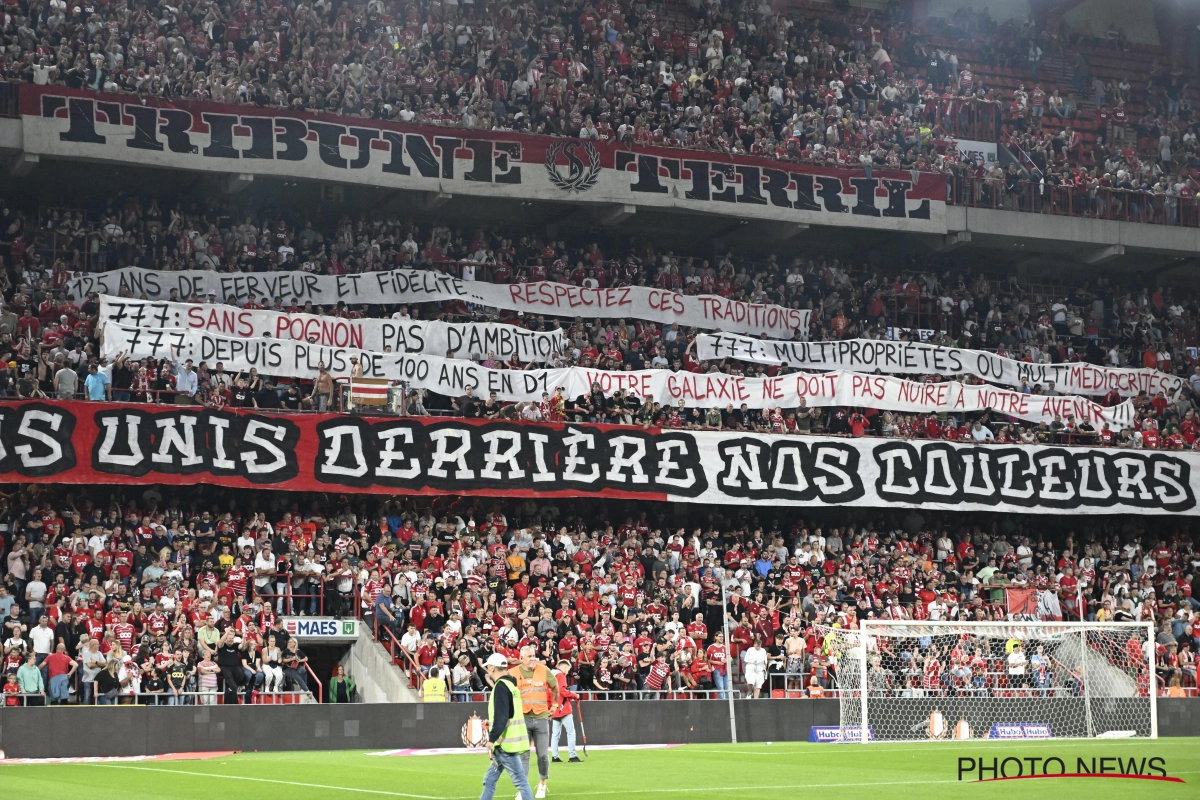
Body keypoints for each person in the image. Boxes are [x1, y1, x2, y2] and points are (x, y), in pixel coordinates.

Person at [480, 652, 535, 800]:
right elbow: (508, 713)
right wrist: (490, 724)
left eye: (488, 668)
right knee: (490, 778)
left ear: (492, 668)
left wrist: (491, 739)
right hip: (507, 743)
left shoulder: (500, 687)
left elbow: (502, 717)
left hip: (505, 744)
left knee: (521, 782)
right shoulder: (511, 685)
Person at [508, 645, 560, 799]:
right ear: (521, 658)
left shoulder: (543, 670)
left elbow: (555, 687)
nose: (532, 659)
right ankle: (523, 789)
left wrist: (555, 705)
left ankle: (542, 784)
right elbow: (505, 693)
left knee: (543, 755)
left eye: (533, 656)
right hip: (522, 718)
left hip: (541, 717)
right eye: (529, 656)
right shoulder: (512, 673)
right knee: (523, 755)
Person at [549, 660, 581, 763]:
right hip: (563, 708)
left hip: (553, 708)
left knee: (555, 734)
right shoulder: (561, 676)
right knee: (571, 733)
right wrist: (574, 695)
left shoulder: (550, 676)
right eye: (568, 669)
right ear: (564, 667)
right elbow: (563, 691)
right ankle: (572, 756)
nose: (567, 672)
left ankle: (554, 756)